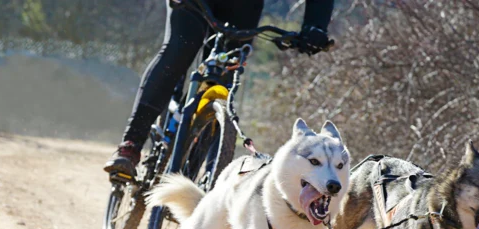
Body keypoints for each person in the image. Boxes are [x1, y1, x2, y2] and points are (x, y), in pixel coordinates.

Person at [104, 0, 334, 177]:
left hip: (242, 6)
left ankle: (200, 176)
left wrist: (315, 27)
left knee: (225, 75)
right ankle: (131, 145)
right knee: (178, 52)